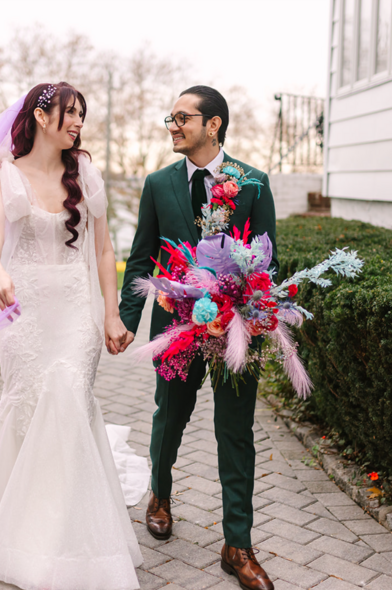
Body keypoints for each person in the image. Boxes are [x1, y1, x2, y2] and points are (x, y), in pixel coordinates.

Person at [0, 83, 148, 590]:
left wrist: (111, 314)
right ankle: (33, 509)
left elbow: (105, 248)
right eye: (71, 114)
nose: (78, 124)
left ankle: (65, 536)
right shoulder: (5, 172)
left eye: (82, 116)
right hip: (24, 309)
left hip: (75, 310)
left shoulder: (85, 173)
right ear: (42, 117)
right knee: (28, 407)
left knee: (67, 397)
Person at [119, 85, 278, 590]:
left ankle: (238, 544)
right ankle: (160, 495)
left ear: (214, 125)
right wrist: (126, 318)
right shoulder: (157, 184)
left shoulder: (252, 182)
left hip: (233, 331)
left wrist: (253, 314)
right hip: (173, 328)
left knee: (235, 432)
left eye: (182, 117)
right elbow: (142, 257)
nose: (172, 124)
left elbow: (267, 260)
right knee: (169, 419)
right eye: (170, 116)